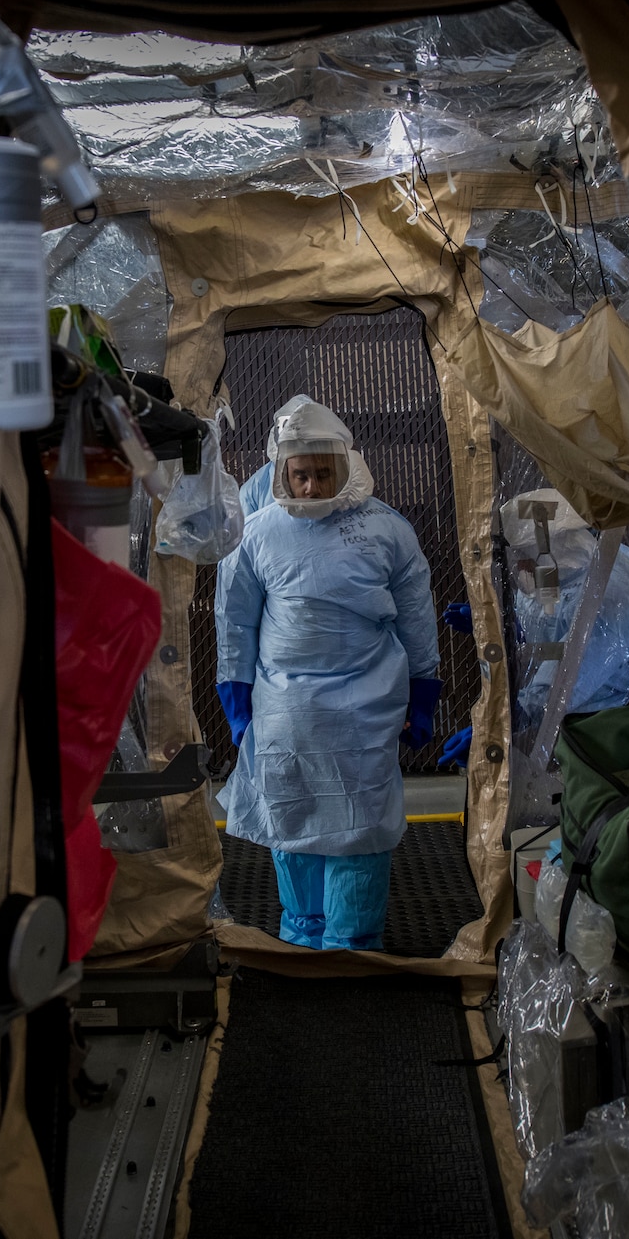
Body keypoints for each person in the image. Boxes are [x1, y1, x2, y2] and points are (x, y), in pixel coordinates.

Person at [215, 395, 442, 950]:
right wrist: (237, 700)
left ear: (346, 465)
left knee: (360, 828)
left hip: (365, 708)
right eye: (300, 475)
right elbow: (235, 621)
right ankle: (303, 933)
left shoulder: (387, 530)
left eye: (322, 473)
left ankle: (351, 944)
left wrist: (423, 695)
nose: (312, 487)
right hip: (284, 709)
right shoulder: (257, 532)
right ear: (281, 473)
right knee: (292, 819)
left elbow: (417, 618)